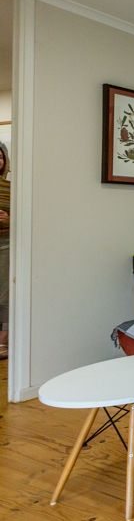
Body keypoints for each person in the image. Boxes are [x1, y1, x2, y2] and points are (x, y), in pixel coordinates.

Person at [0, 142, 9, 359]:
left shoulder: (12, 188)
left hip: (7, 245)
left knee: (6, 296)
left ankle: (3, 341)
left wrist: (10, 219)